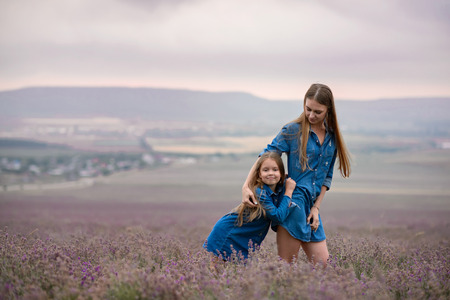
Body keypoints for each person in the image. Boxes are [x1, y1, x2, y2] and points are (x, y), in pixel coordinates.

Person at [242, 83, 351, 266]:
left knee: (324, 266)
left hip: (311, 209)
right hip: (293, 204)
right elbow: (265, 156)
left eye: (317, 112)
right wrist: (246, 186)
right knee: (286, 268)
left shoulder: (332, 137)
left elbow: (326, 177)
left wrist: (316, 208)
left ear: (328, 110)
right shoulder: (293, 130)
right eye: (308, 109)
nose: (310, 115)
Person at [203, 152, 296, 265]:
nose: (271, 173)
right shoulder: (259, 192)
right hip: (229, 232)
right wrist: (289, 192)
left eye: (275, 170)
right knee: (217, 271)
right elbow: (278, 216)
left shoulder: (279, 188)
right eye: (266, 170)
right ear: (259, 174)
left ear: (281, 172)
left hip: (246, 238)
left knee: (234, 272)